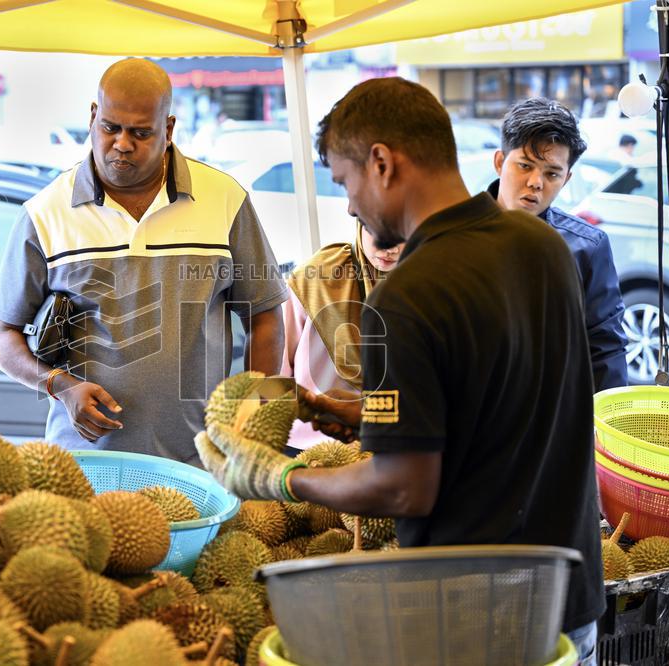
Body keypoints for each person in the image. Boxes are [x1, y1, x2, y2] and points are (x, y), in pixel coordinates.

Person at [195, 77, 604, 664]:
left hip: (472, 620)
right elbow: (495, 404)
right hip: (566, 603)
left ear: (382, 163)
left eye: (345, 179)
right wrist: (366, 416)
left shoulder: (408, 293)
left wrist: (278, 479)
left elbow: (404, 487)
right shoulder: (540, 248)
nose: (350, 203)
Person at [0, 58, 287, 465]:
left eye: (140, 132)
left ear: (168, 130)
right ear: (93, 116)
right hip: (83, 466)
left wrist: (253, 415)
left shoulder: (225, 200)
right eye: (111, 127)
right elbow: (0, 334)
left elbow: (265, 317)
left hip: (201, 463)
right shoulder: (45, 213)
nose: (122, 143)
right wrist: (60, 385)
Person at [489, 98, 628, 392]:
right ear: (500, 162)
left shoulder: (587, 247)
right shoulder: (453, 233)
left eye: (552, 173)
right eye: (524, 166)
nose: (536, 182)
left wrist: (601, 427)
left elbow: (605, 347)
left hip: (552, 421)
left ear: (566, 179)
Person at [280, 222, 404, 451]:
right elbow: (278, 369)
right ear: (360, 220)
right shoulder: (314, 279)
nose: (391, 249)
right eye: (380, 232)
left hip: (385, 446)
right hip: (305, 444)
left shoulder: (423, 288)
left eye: (403, 235)